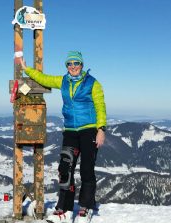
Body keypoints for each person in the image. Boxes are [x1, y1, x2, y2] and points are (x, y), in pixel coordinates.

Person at [19, 51, 106, 223]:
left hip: (89, 130)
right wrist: (26, 69)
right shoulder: (63, 81)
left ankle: (85, 207)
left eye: (76, 63)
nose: (73, 67)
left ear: (81, 65)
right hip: (70, 131)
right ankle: (64, 209)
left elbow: (100, 106)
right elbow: (44, 79)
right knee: (65, 169)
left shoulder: (92, 83)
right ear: (66, 66)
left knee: (87, 169)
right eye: (69, 64)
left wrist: (101, 129)